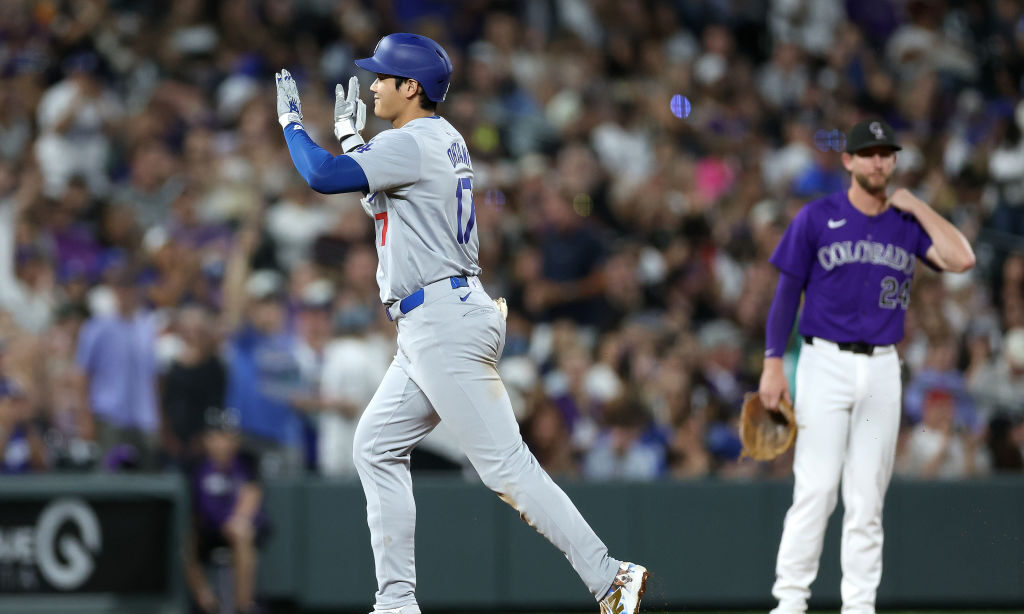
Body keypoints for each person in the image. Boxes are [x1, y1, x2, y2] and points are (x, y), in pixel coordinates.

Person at [276, 33, 647, 614]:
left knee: (507, 468)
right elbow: (383, 204)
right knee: (375, 446)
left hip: (441, 321)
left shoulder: (414, 142)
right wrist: (352, 137)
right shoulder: (435, 139)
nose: (372, 84)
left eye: (382, 77)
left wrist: (294, 125)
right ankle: (396, 602)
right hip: (438, 318)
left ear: (412, 87)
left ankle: (610, 577)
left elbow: (323, 177)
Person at [758, 118, 976, 614]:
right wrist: (773, 363)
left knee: (867, 500)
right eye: (869, 152)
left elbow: (962, 259)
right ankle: (789, 603)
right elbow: (785, 295)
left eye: (886, 153)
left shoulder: (906, 224)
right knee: (815, 490)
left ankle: (860, 607)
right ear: (849, 160)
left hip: (881, 368)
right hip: (823, 362)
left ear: (895, 161)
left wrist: (918, 205)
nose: (879, 160)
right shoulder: (817, 217)